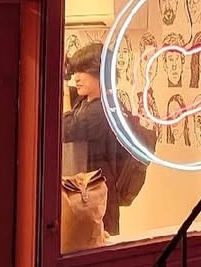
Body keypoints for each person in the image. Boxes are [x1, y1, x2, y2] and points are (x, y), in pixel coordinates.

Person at [62, 43, 151, 240]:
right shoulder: (88, 102)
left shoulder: (103, 110)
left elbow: (67, 129)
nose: (76, 77)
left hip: (98, 200)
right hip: (90, 196)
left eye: (82, 71)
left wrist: (64, 94)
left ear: (100, 72)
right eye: (75, 71)